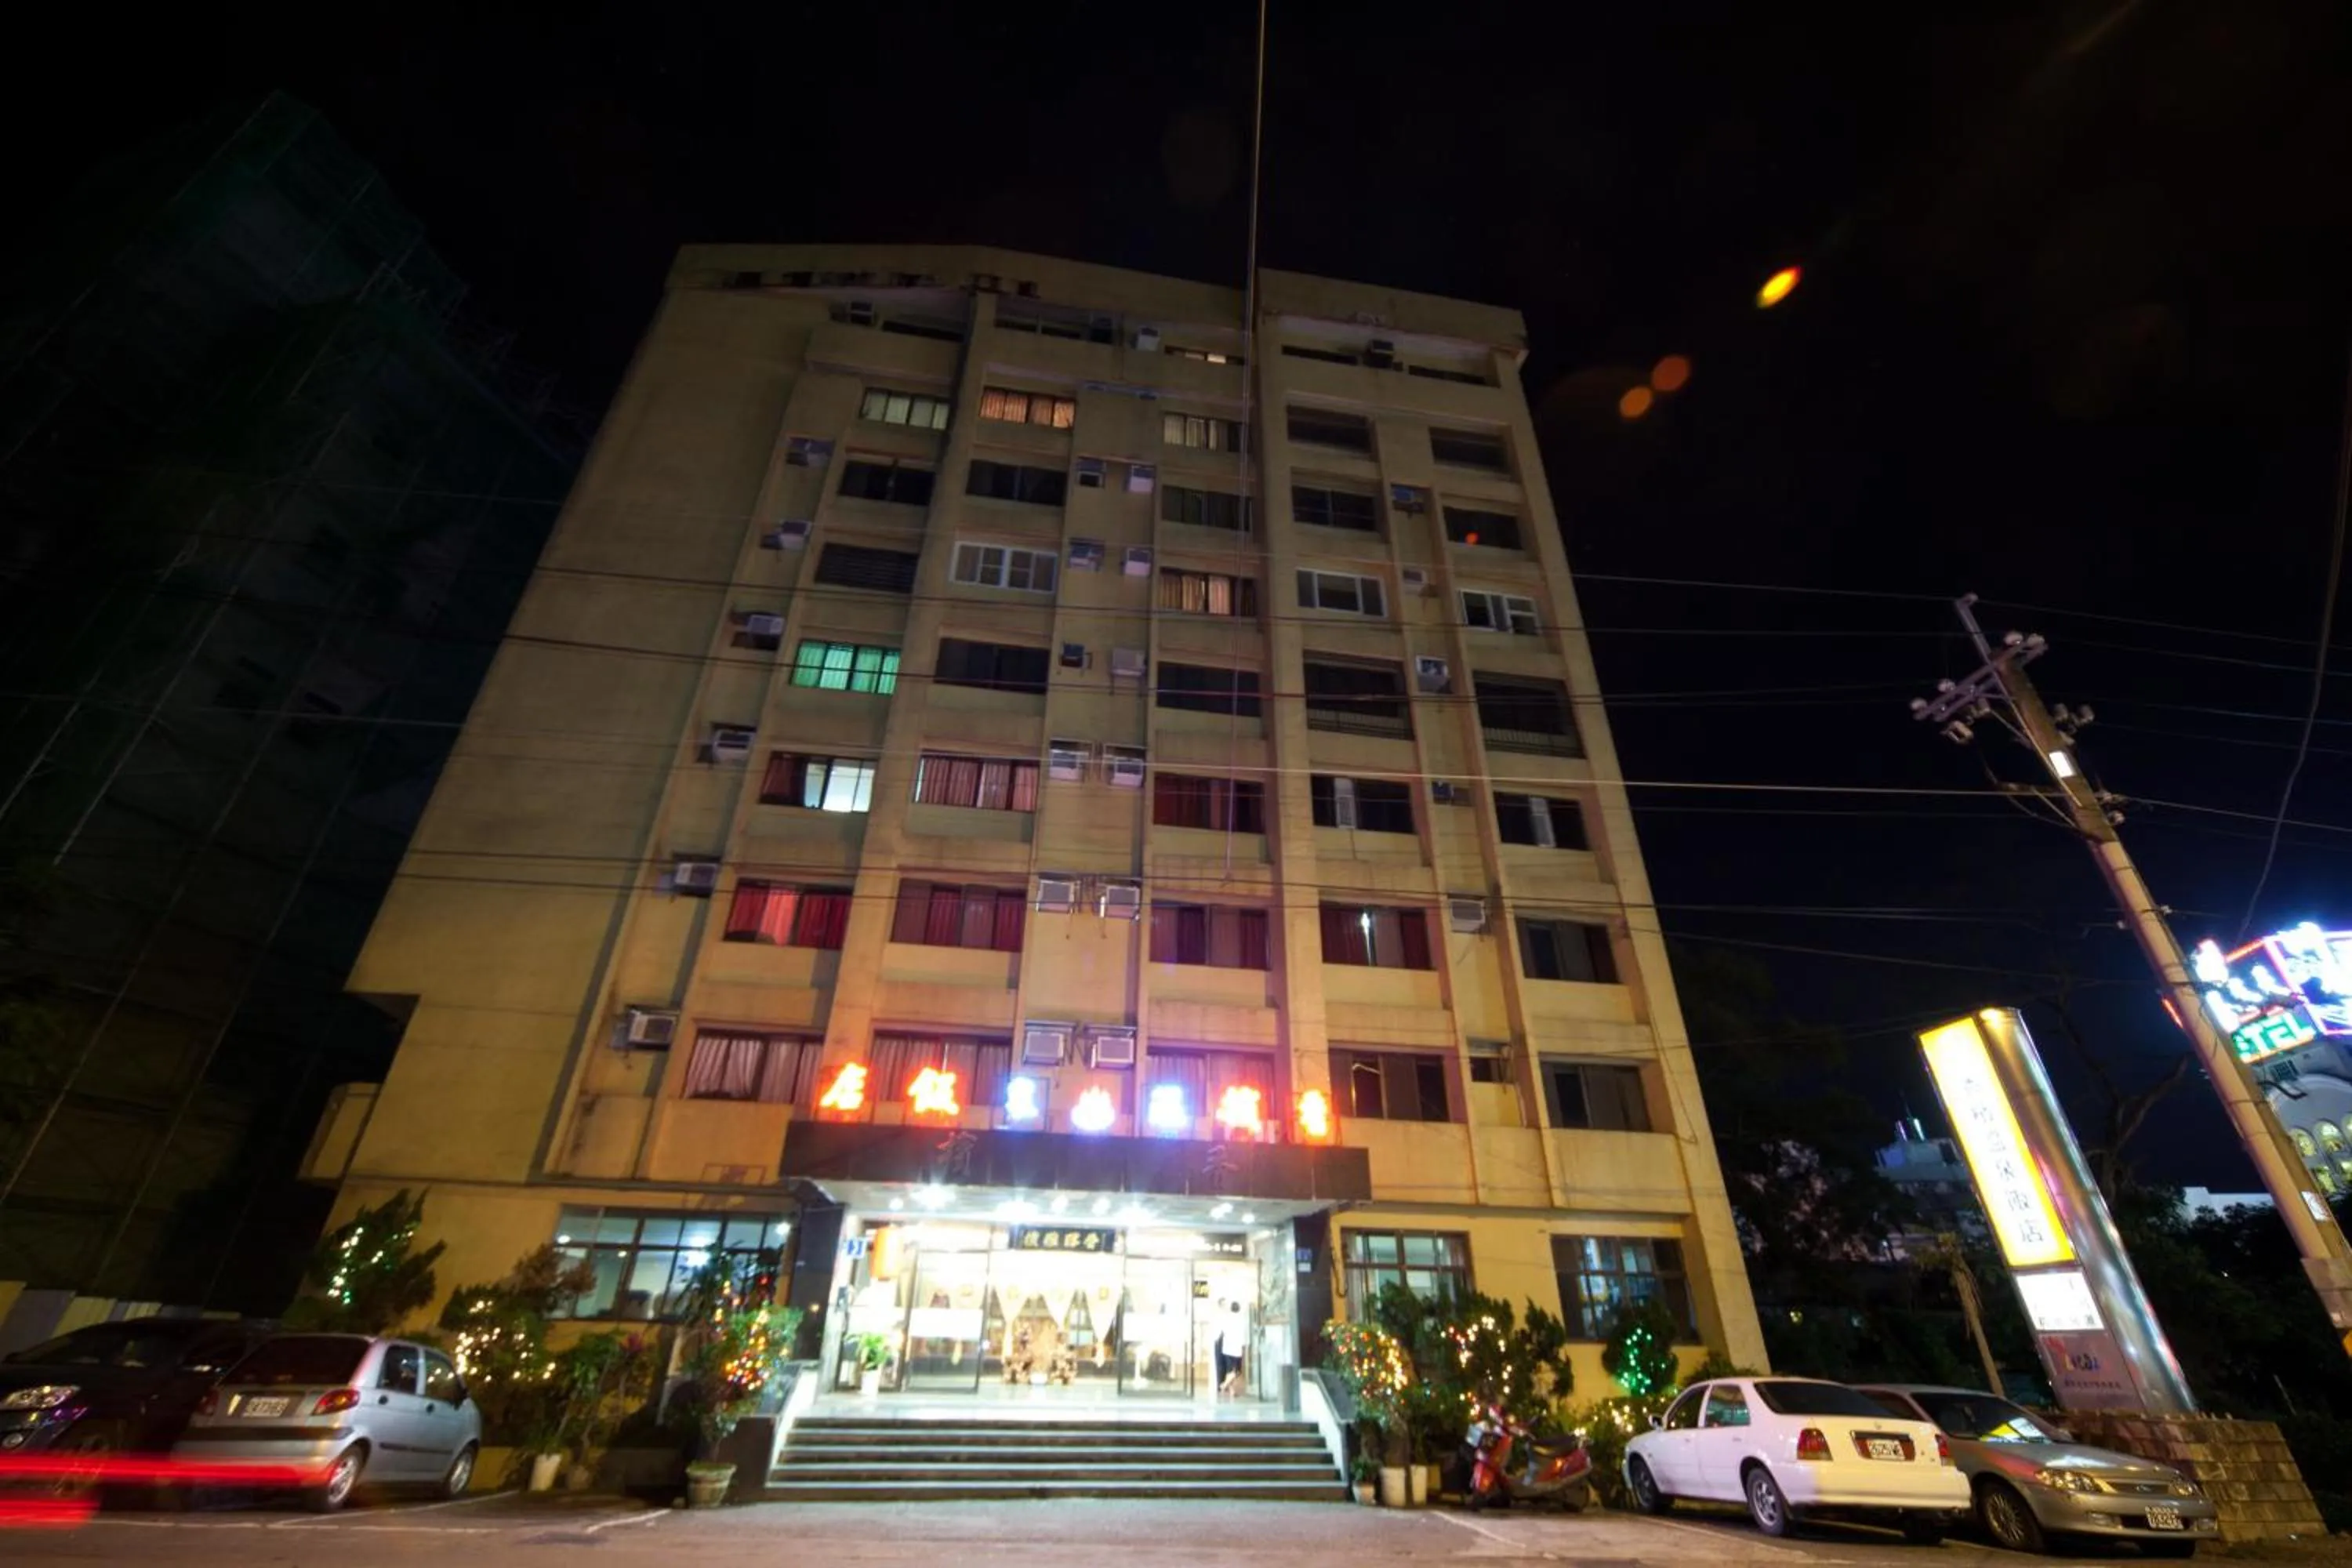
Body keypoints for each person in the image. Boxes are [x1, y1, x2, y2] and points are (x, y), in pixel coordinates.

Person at [1214, 1299, 1247, 1397]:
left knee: (1230, 1371)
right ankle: (1225, 1385)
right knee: (1236, 1371)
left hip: (1227, 1349)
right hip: (1236, 1349)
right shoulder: (1241, 1320)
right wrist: (1244, 1345)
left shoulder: (1227, 1319)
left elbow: (1222, 1332)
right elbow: (1243, 1335)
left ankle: (1230, 1389)